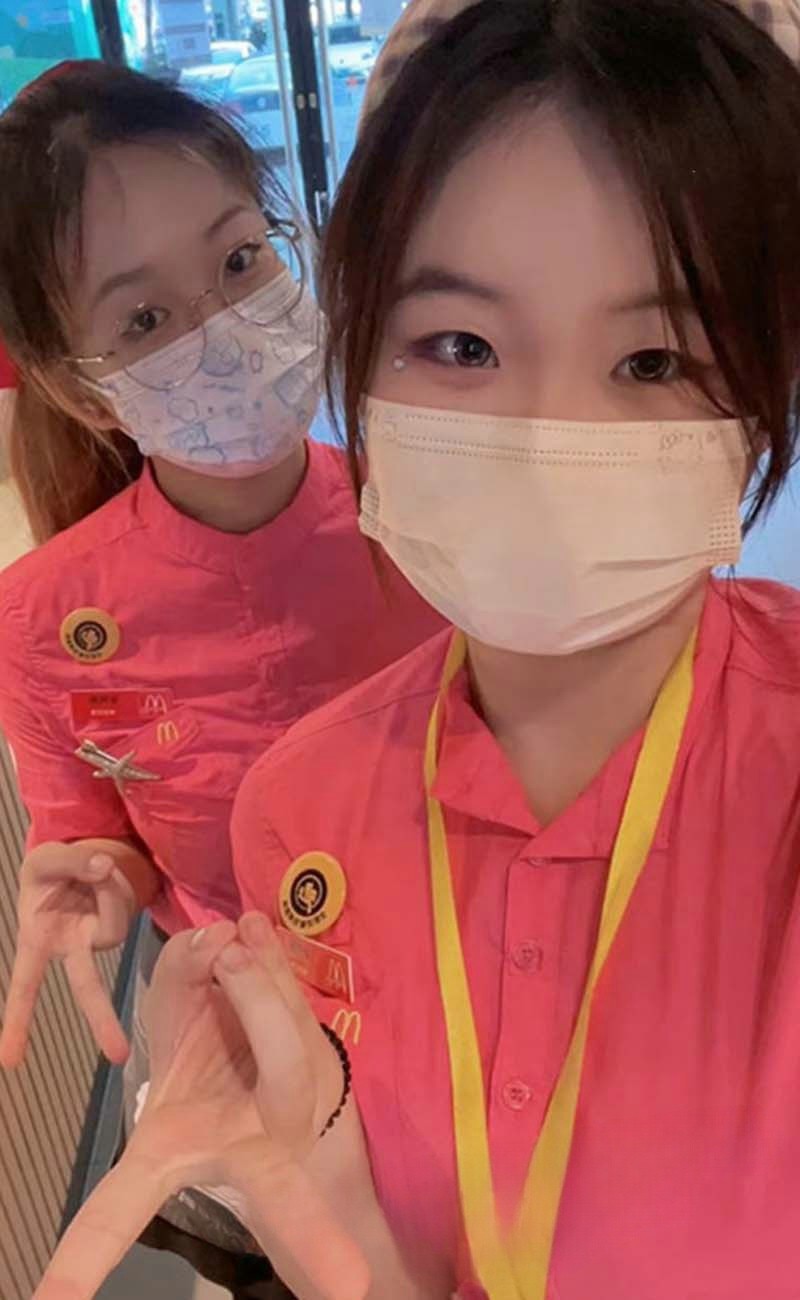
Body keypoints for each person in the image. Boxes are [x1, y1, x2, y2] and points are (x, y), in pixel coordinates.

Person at [26, 1, 800, 1297]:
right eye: (461, 345)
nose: (547, 436)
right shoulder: (303, 809)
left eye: (652, 357)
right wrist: (302, 1177)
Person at [0, 60, 441, 1297]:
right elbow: (97, 836)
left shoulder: (428, 522)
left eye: (241, 260)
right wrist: (99, 875)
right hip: (249, 1051)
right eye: (143, 320)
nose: (221, 328)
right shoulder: (44, 619)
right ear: (78, 385)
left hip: (465, 1009)